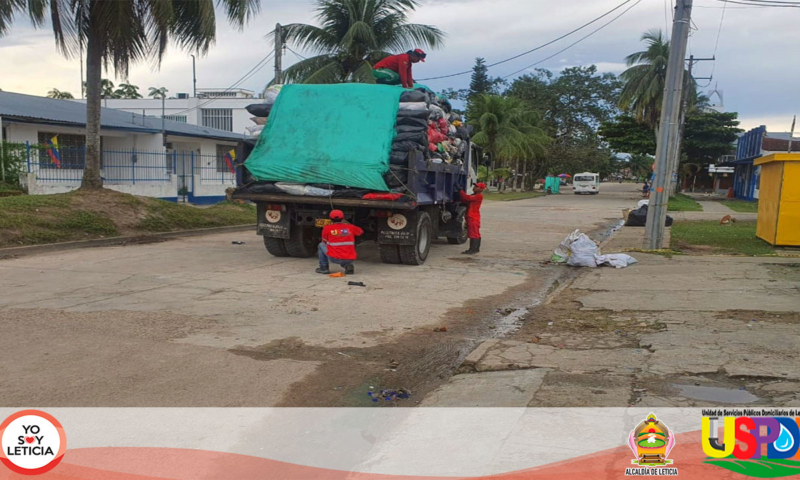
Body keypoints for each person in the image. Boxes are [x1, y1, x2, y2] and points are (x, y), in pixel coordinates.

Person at [316, 210, 364, 275]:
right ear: (343, 218)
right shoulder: (350, 227)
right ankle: (347, 265)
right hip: (350, 258)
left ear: (330, 219)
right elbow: (360, 232)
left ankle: (324, 268)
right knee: (344, 253)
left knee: (321, 245)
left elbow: (324, 241)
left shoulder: (327, 228)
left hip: (335, 258)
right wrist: (348, 224)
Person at [458, 182, 485, 255]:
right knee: (476, 233)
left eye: (477, 187)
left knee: (473, 233)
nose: (475, 187)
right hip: (473, 216)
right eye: (475, 186)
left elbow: (467, 198)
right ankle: (476, 249)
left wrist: (460, 190)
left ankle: (472, 249)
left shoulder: (478, 196)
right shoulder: (475, 195)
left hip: (473, 217)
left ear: (481, 189)